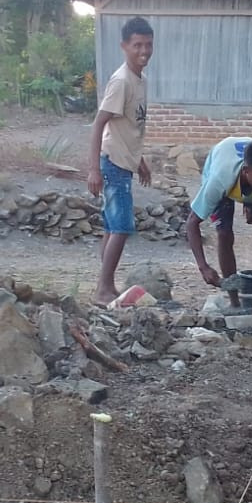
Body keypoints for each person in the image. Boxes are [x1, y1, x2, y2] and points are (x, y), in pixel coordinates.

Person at [87, 17, 154, 306]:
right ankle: (103, 288)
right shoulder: (121, 80)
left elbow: (129, 125)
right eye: (137, 45)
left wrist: (140, 160)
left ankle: (107, 285)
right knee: (122, 226)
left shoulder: (140, 79)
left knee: (113, 227)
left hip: (125, 162)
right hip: (112, 163)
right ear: (124, 46)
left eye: (148, 45)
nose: (144, 51)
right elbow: (99, 124)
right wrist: (93, 169)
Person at [186, 136, 252, 311]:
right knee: (224, 234)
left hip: (248, 186)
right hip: (223, 171)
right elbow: (192, 222)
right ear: (246, 171)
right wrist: (203, 267)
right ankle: (234, 302)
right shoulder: (220, 178)